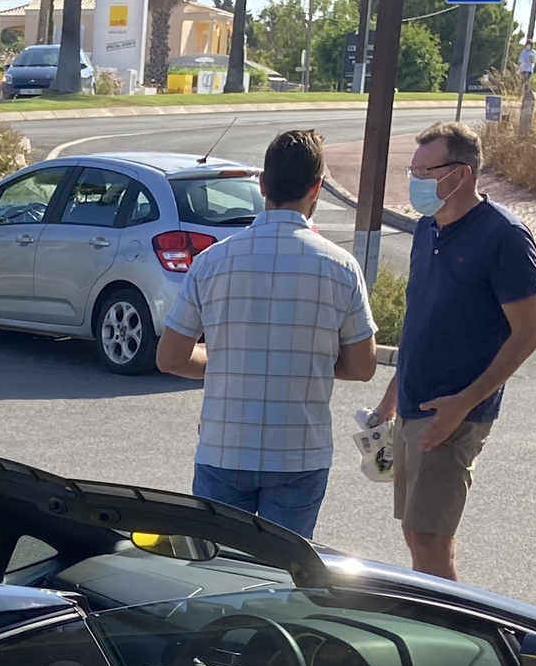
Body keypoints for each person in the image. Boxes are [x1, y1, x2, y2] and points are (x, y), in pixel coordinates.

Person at [155, 128, 380, 539]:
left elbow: (170, 358)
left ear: (262, 185)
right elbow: (363, 366)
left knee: (218, 571)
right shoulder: (342, 267)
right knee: (280, 578)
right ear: (317, 188)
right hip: (299, 453)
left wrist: (225, 359)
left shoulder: (211, 262)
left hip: (224, 446)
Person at [369, 121, 536, 581]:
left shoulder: (505, 236)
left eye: (425, 171)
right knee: (414, 534)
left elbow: (527, 335)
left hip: (454, 414)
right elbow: (420, 321)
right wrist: (390, 399)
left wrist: (463, 404)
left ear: (461, 174)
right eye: (412, 170)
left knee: (430, 542)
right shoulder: (427, 229)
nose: (415, 181)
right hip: (412, 406)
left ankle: (450, 634)